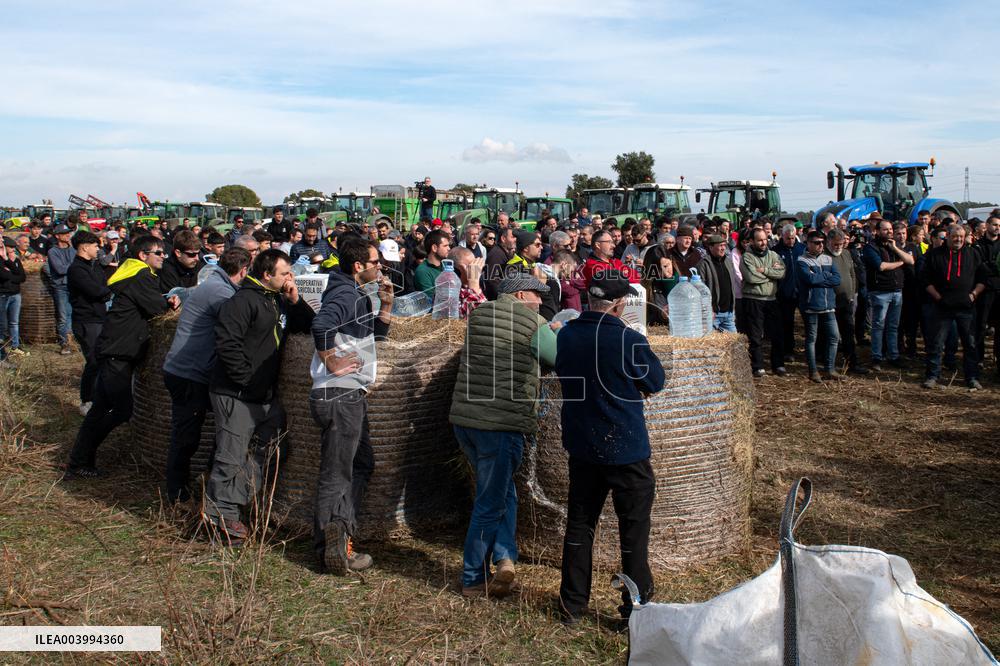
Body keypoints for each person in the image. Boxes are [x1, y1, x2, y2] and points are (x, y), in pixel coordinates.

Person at [555, 270, 665, 624]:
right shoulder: (628, 340)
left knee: (580, 525)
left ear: (590, 301)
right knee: (632, 528)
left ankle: (572, 606)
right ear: (619, 305)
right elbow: (655, 380)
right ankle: (635, 610)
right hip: (625, 447)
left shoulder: (568, 334)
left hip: (582, 445)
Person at [449, 274, 558, 597]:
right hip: (500, 424)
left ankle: (505, 557)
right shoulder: (533, 321)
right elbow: (557, 359)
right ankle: (473, 578)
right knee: (489, 502)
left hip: (466, 421)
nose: (542, 301)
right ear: (522, 294)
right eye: (538, 295)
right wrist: (555, 334)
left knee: (502, 491)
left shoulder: (479, 313)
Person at [203, 249, 315, 545]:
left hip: (263, 395)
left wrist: (295, 301)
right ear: (267, 275)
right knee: (230, 455)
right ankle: (220, 521)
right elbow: (227, 346)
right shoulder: (241, 302)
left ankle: (237, 500)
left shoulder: (276, 299)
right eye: (285, 274)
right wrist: (247, 384)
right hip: (236, 393)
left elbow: (308, 325)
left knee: (275, 446)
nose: (290, 278)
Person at [309, 235, 394, 572]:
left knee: (361, 464)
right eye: (376, 262)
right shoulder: (345, 293)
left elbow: (373, 339)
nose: (381, 268)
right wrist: (331, 361)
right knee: (337, 472)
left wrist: (385, 306)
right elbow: (321, 325)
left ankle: (341, 529)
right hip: (339, 393)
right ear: (359, 266)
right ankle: (333, 546)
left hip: (346, 394)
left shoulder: (355, 293)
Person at [65, 236, 181, 478]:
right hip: (119, 351)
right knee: (122, 410)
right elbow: (156, 309)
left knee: (100, 409)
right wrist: (170, 304)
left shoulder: (132, 273)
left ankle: (79, 461)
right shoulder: (141, 276)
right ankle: (81, 458)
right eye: (158, 252)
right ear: (142, 255)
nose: (163, 256)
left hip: (114, 348)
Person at [161, 248, 252, 504]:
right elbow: (240, 323)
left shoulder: (214, 283)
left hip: (189, 369)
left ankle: (200, 479)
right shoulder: (220, 293)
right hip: (189, 373)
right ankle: (176, 492)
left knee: (213, 426)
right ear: (243, 271)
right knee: (187, 434)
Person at [921, 224, 986, 391]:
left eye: (962, 237)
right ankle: (932, 376)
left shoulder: (973, 254)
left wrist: (973, 295)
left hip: (966, 308)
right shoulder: (934, 255)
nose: (959, 240)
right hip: (942, 307)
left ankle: (972, 377)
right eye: (955, 237)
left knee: (970, 344)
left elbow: (983, 278)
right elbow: (925, 280)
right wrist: (938, 297)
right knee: (936, 343)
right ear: (948, 236)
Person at [66, 231, 112, 414]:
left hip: (99, 318)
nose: (98, 249)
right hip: (86, 321)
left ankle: (100, 398)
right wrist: (104, 291)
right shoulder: (77, 270)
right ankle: (87, 400)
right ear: (84, 247)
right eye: (95, 246)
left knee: (101, 359)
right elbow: (97, 291)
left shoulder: (94, 267)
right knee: (93, 361)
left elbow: (104, 285)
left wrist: (105, 290)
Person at [863, 219, 913, 371]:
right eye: (885, 230)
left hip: (897, 291)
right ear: (877, 231)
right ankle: (877, 357)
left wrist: (896, 250)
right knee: (878, 326)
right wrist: (900, 263)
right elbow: (881, 266)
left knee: (893, 326)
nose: (889, 232)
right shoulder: (870, 247)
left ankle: (893, 355)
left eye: (891, 229)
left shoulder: (894, 246)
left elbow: (910, 260)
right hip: (880, 292)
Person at [795, 231, 842, 382]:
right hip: (811, 305)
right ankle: (813, 371)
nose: (820, 245)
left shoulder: (828, 258)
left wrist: (820, 278)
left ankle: (830, 369)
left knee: (834, 337)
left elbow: (837, 279)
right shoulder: (802, 260)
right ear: (808, 243)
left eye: (822, 242)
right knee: (811, 339)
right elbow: (809, 279)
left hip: (828, 304)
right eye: (816, 242)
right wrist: (826, 276)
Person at [741, 228, 787, 377]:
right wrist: (771, 275)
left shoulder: (773, 255)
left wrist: (764, 270)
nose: (763, 242)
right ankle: (758, 366)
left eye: (765, 239)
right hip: (754, 299)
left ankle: (778, 364)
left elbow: (782, 272)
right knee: (755, 335)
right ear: (752, 241)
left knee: (777, 333)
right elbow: (751, 278)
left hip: (771, 299)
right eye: (759, 240)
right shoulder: (747, 257)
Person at [825, 229, 866, 374]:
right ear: (829, 242)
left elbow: (852, 274)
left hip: (847, 301)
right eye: (836, 244)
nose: (838, 247)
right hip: (830, 303)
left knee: (848, 333)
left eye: (841, 244)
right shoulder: (824, 256)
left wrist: (852, 293)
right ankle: (828, 363)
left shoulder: (847, 253)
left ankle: (852, 363)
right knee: (831, 335)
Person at [973, 215, 1000, 374]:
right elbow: (980, 266)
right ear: (988, 225)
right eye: (995, 224)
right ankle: (979, 359)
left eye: (999, 225)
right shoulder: (978, 245)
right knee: (980, 327)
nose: (997, 228)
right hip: (984, 292)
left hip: (999, 292)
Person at [774, 224, 805, 360]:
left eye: (793, 238)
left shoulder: (802, 249)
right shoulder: (776, 251)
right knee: (787, 322)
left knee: (809, 321)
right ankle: (789, 350)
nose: (791, 241)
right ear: (782, 236)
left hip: (802, 291)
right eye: (788, 239)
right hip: (785, 293)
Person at [46, 224, 76, 355]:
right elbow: (60, 269)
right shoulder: (53, 251)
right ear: (57, 236)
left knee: (71, 314)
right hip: (61, 287)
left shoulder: (73, 250)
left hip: (73, 285)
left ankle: (71, 341)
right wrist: (74, 267)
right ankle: (64, 343)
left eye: (68, 233)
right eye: (64, 233)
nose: (67, 235)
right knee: (63, 316)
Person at [705, 234, 738, 332]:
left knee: (735, 344)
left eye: (724, 245)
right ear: (711, 247)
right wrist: (708, 309)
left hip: (729, 313)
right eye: (720, 245)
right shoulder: (703, 264)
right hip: (713, 314)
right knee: (711, 345)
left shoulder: (728, 262)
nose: (723, 248)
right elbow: (700, 290)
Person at [0, 240, 27, 358]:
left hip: (15, 294)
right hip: (3, 294)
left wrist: (8, 261)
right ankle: (2, 351)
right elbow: (3, 276)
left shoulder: (14, 260)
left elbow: (22, 277)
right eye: (10, 247)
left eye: (13, 247)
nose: (13, 250)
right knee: (2, 324)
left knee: (14, 322)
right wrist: (13, 276)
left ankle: (15, 346)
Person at [448, 246, 486, 318]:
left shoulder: (468, 286)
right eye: (471, 267)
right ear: (459, 269)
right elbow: (471, 317)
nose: (475, 270)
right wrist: (474, 285)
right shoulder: (447, 290)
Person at [414, 229, 450, 298]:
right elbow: (432, 299)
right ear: (434, 248)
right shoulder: (423, 271)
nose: (449, 248)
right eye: (445, 246)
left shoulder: (446, 266)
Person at [484, 227, 516, 300]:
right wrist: (504, 298)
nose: (515, 239)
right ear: (503, 239)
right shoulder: (496, 254)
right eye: (512, 237)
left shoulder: (504, 252)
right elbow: (492, 280)